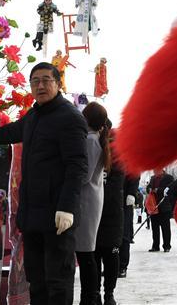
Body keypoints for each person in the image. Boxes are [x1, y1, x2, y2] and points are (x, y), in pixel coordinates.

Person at [0, 63, 87, 305]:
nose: (41, 85)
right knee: (37, 279)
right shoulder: (35, 115)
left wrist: (67, 207)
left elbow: (77, 166)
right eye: (35, 81)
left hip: (58, 215)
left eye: (47, 80)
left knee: (58, 280)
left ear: (58, 84)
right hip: (33, 214)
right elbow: (13, 131)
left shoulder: (70, 118)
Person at [74, 102, 109, 305]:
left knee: (86, 254)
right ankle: (91, 297)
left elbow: (83, 176)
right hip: (92, 200)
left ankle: (90, 298)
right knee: (88, 253)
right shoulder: (96, 139)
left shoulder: (89, 140)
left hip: (86, 202)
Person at [93, 124, 123, 305]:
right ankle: (95, 293)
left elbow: (116, 185)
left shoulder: (118, 157)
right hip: (92, 214)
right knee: (93, 257)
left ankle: (109, 293)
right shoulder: (91, 150)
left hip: (111, 216)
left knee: (111, 256)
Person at [146, 168, 174, 252]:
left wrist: (159, 190)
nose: (155, 171)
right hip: (153, 206)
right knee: (155, 228)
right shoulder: (152, 178)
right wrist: (149, 189)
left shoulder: (169, 177)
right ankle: (155, 246)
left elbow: (171, 189)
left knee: (165, 228)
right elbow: (148, 187)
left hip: (164, 206)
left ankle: (167, 246)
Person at [118, 173, 139, 278]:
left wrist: (132, 193)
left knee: (124, 235)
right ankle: (112, 265)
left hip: (125, 201)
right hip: (110, 200)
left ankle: (122, 266)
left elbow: (135, 172)